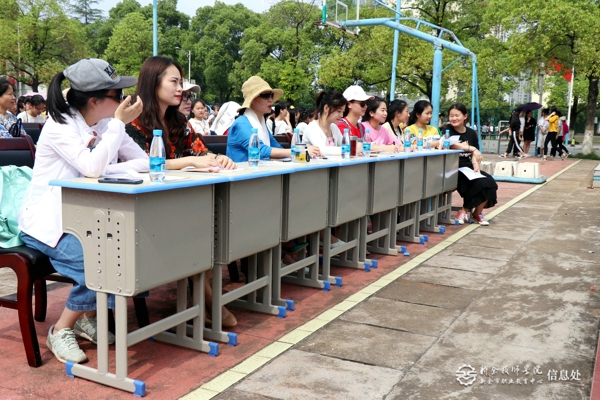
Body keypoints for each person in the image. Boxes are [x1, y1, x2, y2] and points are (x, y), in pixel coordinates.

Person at [18, 58, 146, 364]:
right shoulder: (60, 126)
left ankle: (86, 318)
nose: (124, 100)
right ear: (95, 100)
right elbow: (91, 167)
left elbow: (142, 161)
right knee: (96, 263)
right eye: (117, 95)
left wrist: (107, 163)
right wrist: (117, 127)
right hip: (48, 222)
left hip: (87, 216)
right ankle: (60, 329)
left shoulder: (105, 123)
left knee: (126, 251)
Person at [125, 56, 234, 170]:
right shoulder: (133, 122)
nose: (180, 89)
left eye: (180, 83)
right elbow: (144, 164)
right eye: (174, 81)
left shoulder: (180, 120)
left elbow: (200, 151)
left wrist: (218, 158)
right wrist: (190, 161)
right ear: (153, 83)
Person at [226, 75, 320, 162]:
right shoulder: (241, 124)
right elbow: (260, 150)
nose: (270, 99)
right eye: (265, 95)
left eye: (271, 95)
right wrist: (300, 151)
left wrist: (300, 154)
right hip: (243, 173)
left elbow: (276, 147)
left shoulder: (261, 123)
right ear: (252, 100)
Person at [447, 103, 497, 226]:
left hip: (468, 167)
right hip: (453, 168)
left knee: (490, 182)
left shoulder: (471, 133)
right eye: (451, 116)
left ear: (465, 116)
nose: (454, 118)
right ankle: (464, 210)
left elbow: (475, 153)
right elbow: (452, 144)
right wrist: (470, 148)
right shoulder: (447, 130)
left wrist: (475, 165)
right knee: (479, 184)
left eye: (457, 115)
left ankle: (477, 213)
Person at [302, 90, 346, 156]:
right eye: (339, 111)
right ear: (326, 108)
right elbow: (323, 150)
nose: (341, 115)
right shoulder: (312, 128)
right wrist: (351, 149)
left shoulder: (334, 127)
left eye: (343, 112)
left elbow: (344, 145)